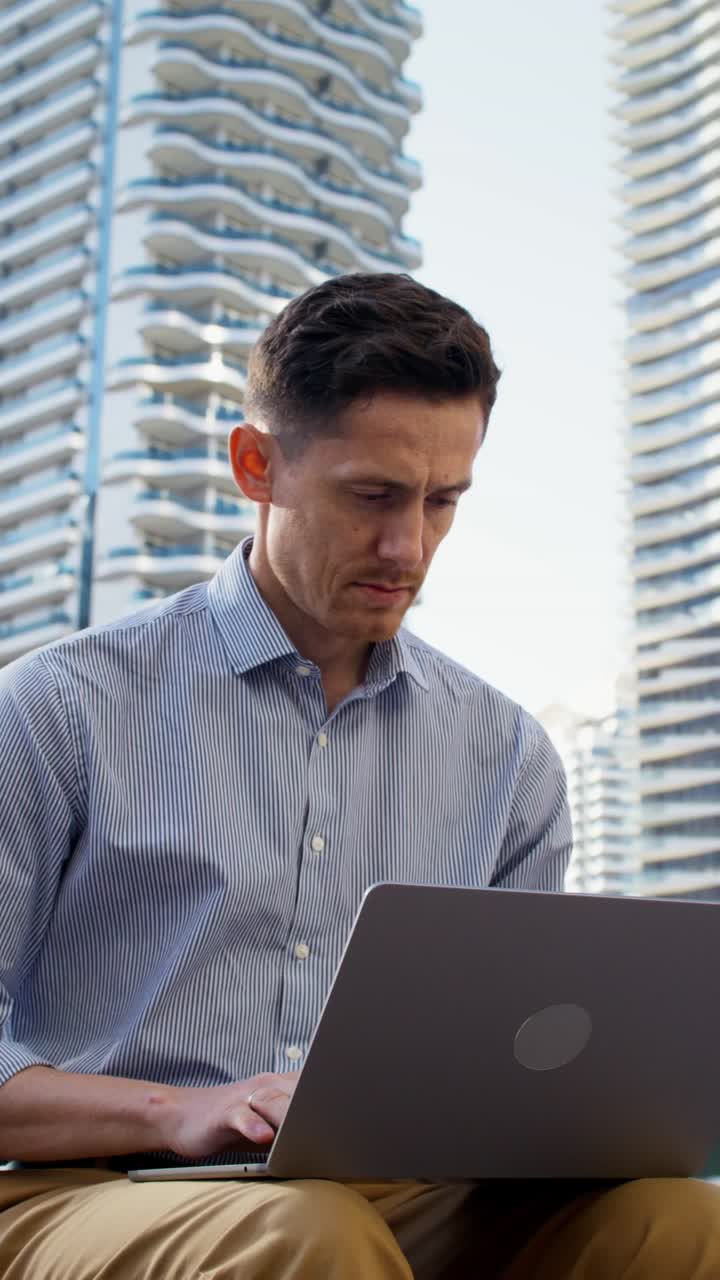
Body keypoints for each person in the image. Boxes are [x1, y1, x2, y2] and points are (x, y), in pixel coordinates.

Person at [0, 272, 717, 1279]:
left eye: (442, 501)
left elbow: (517, 1069)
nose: (408, 546)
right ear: (258, 464)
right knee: (308, 1233)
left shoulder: (508, 757)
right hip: (85, 1189)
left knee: (681, 1220)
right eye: (373, 495)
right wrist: (182, 1107)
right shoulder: (56, 706)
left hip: (386, 1194)